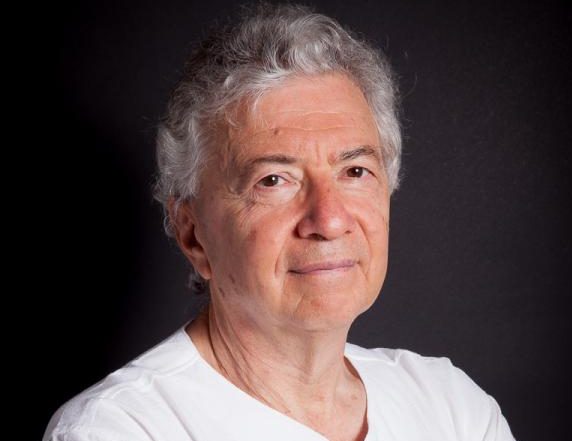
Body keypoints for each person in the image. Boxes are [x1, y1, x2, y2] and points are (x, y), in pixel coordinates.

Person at [44, 4, 515, 440]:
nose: (329, 219)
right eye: (273, 180)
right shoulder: (119, 428)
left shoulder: (451, 407)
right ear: (193, 233)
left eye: (355, 171)